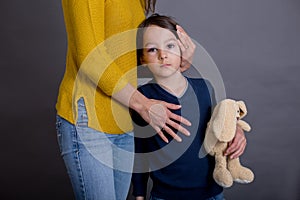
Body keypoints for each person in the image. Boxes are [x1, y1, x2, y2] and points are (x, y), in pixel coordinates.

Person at [55, 1, 197, 200]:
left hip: (125, 118)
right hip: (90, 119)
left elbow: (130, 61)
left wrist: (178, 57)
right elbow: (89, 58)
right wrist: (144, 104)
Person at [131, 14, 248, 200]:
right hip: (165, 196)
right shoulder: (142, 99)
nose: (163, 55)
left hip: (211, 193)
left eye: (170, 46)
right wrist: (139, 195)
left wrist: (237, 132)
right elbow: (140, 151)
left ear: (181, 49)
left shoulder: (205, 88)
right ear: (142, 59)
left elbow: (221, 127)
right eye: (153, 49)